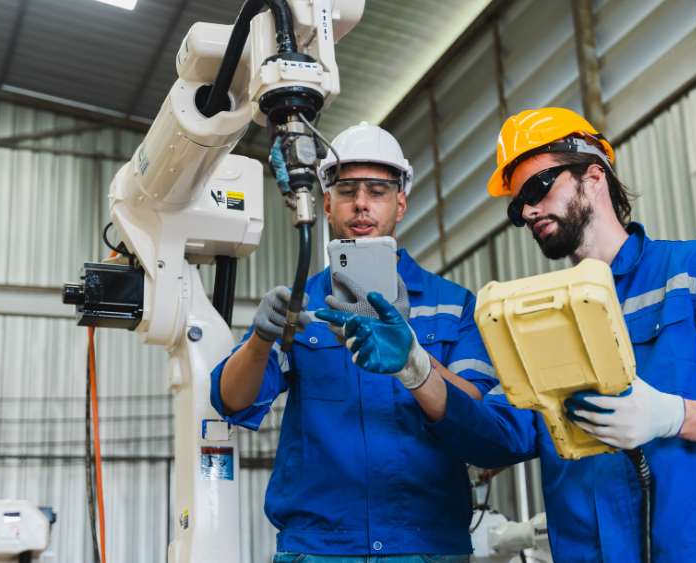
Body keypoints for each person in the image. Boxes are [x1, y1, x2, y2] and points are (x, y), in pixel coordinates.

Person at [318, 109, 696, 562]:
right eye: (518, 208)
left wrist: (673, 416)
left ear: (593, 175)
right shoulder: (534, 317)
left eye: (537, 189)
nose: (529, 212)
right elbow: (497, 438)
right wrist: (417, 367)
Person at [210, 122, 498, 562]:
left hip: (425, 547)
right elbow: (231, 400)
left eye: (377, 190)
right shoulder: (300, 305)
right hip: (321, 549)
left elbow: (477, 414)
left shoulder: (451, 306)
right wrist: (261, 340)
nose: (361, 203)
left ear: (400, 203)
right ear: (326, 203)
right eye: (347, 190)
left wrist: (413, 357)